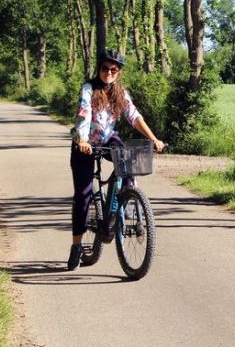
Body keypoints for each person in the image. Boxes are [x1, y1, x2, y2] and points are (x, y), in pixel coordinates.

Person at [67, 49, 165, 270]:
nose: (109, 73)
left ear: (118, 73)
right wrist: (82, 139)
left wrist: (153, 138)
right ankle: (77, 246)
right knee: (83, 195)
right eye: (105, 68)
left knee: (128, 160)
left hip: (108, 138)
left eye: (114, 70)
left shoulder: (121, 93)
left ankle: (126, 200)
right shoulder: (89, 89)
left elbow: (134, 116)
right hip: (85, 144)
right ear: (99, 69)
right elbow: (84, 115)